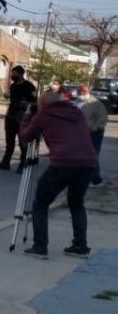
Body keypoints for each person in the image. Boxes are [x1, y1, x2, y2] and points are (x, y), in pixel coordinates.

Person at [18, 91, 98, 258]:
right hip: (88, 162)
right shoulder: (77, 112)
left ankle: (40, 247)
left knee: (41, 202)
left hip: (63, 162)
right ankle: (80, 246)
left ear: (43, 105)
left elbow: (25, 136)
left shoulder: (44, 115)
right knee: (76, 202)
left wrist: (27, 117)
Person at [0, 66, 38, 171]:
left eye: (15, 74)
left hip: (22, 116)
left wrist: (27, 104)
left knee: (22, 141)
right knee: (9, 141)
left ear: (21, 74)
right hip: (11, 116)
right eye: (12, 74)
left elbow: (35, 101)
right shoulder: (13, 86)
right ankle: (5, 162)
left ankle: (23, 163)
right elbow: (11, 98)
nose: (13, 76)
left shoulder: (29, 86)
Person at [78, 84, 107, 186]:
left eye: (83, 91)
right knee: (83, 156)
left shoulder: (96, 103)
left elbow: (102, 119)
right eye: (79, 91)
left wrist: (92, 128)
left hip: (95, 134)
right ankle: (85, 178)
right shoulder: (79, 102)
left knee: (92, 156)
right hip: (82, 134)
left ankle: (96, 180)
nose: (80, 93)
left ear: (89, 91)